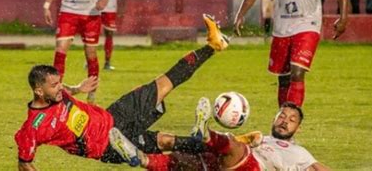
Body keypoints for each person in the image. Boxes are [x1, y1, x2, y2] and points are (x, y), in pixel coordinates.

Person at [15, 14, 229, 171]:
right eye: (54, 85)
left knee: (163, 84)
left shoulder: (59, 93)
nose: (60, 87)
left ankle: (212, 45)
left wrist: (77, 89)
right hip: (107, 146)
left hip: (115, 115)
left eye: (59, 83)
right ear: (38, 91)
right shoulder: (34, 127)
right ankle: (220, 153)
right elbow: (24, 163)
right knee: (166, 142)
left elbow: (64, 89)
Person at [111, 100, 331, 171]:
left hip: (256, 169)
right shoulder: (263, 138)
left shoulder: (299, 152)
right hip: (231, 164)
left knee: (236, 148)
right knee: (184, 160)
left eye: (291, 120)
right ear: (274, 119)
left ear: (298, 129)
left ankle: (205, 133)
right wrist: (252, 139)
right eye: (282, 116)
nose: (285, 121)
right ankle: (139, 158)